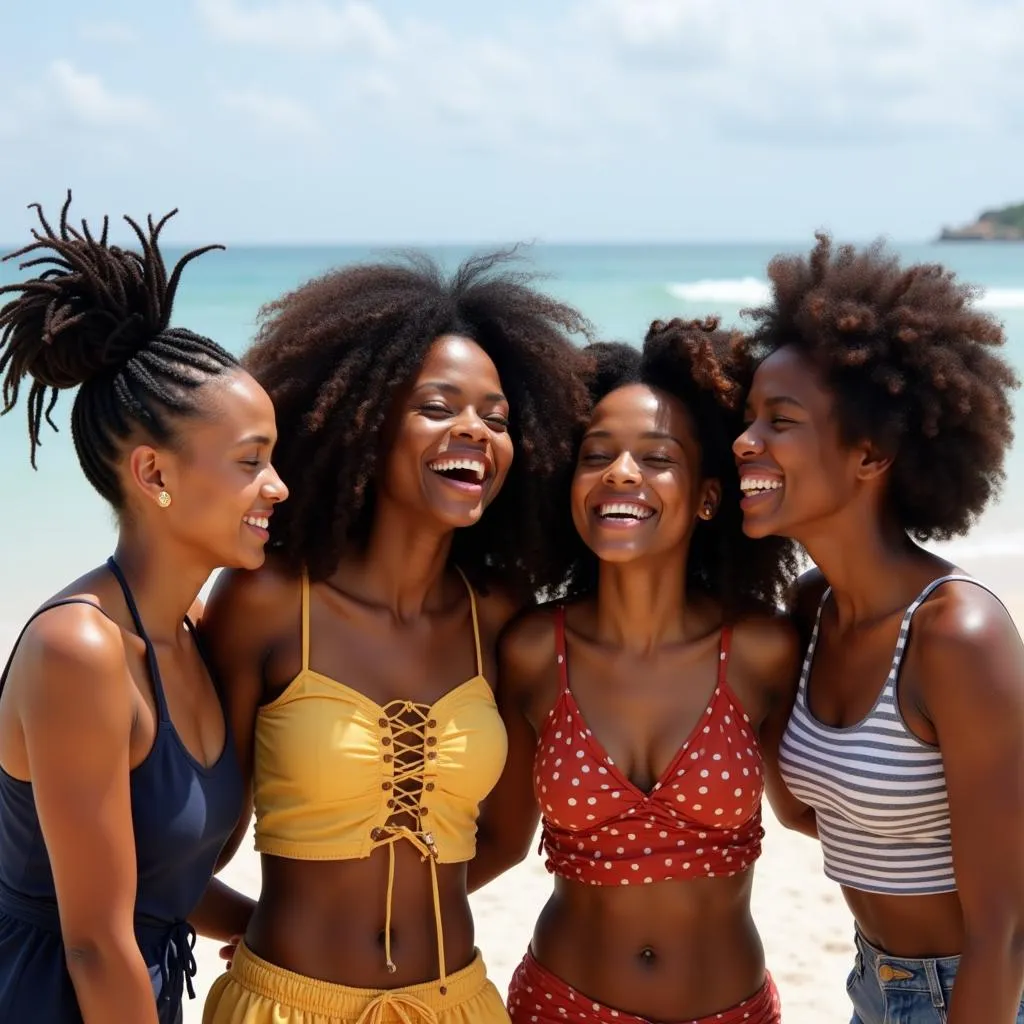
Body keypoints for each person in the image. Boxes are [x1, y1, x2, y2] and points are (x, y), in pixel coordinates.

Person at [200, 252, 593, 1024]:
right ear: (364, 420)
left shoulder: (500, 616)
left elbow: (509, 838)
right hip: (284, 1006)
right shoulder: (269, 601)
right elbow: (188, 842)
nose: (475, 430)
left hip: (456, 1003)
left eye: (498, 417)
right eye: (438, 406)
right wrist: (257, 931)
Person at [0, 194, 287, 1023]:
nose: (278, 486)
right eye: (252, 462)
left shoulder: (190, 636)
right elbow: (93, 939)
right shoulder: (78, 651)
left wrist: (284, 931)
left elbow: (156, 877)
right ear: (154, 475)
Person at [469, 322, 799, 1024]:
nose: (622, 474)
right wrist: (360, 932)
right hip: (559, 1006)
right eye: (597, 456)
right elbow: (497, 842)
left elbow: (821, 809)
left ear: (708, 496)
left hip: (731, 1012)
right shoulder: (532, 649)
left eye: (656, 458)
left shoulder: (761, 648)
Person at [735, 233, 1024, 1024]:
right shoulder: (810, 609)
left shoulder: (957, 635)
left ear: (870, 455)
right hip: (878, 984)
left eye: (779, 421)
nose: (744, 441)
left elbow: (1006, 927)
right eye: (748, 417)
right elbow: (806, 813)